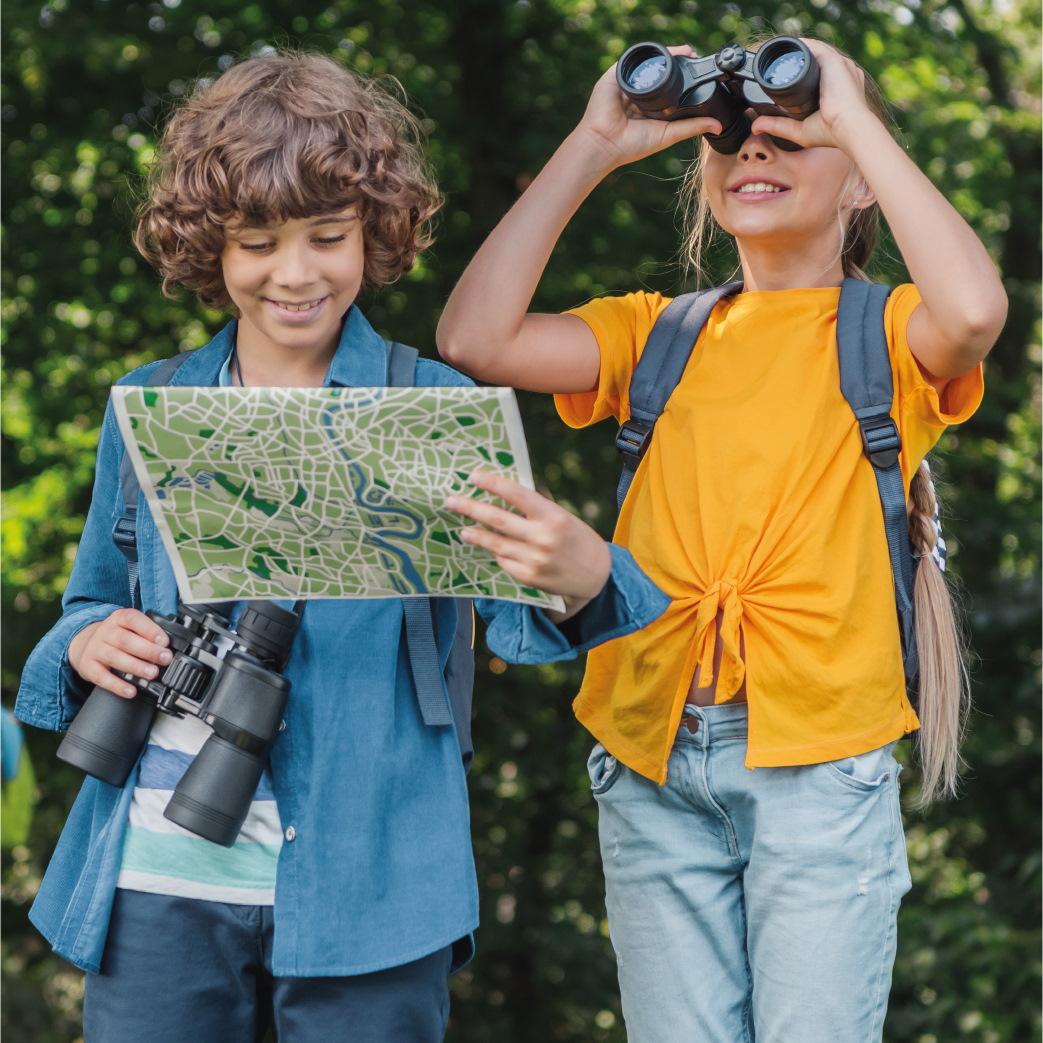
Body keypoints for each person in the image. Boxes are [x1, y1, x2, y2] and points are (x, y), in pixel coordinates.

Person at [14, 51, 669, 1043]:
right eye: (257, 242)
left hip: (375, 879)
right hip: (154, 872)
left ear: (374, 231)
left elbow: (523, 617)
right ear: (211, 247)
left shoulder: (432, 408)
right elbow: (84, 607)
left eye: (328, 236)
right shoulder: (147, 404)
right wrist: (86, 641)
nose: (294, 271)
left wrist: (583, 576)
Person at [436, 36, 1005, 1043]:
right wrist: (593, 141)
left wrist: (856, 118)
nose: (755, 155)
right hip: (650, 750)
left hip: (818, 760)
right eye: (734, 141)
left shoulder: (884, 334)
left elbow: (972, 309)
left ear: (861, 183)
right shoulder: (656, 331)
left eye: (792, 139)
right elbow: (473, 338)